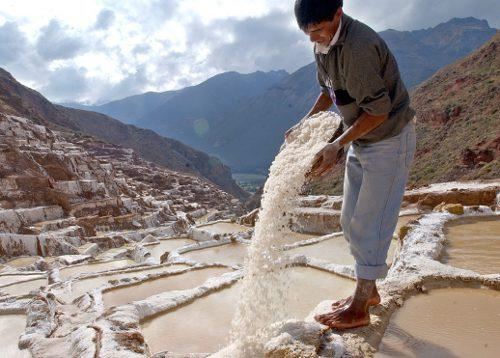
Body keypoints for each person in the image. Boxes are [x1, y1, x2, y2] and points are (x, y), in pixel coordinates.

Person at [287, 0, 417, 330]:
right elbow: (330, 93)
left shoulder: (359, 48)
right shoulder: (323, 45)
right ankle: (367, 291)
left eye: (318, 28)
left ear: (338, 14)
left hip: (387, 138)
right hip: (361, 138)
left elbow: (379, 111)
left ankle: (360, 306)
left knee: (370, 222)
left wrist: (336, 145)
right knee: (349, 220)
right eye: (306, 31)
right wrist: (305, 123)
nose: (312, 37)